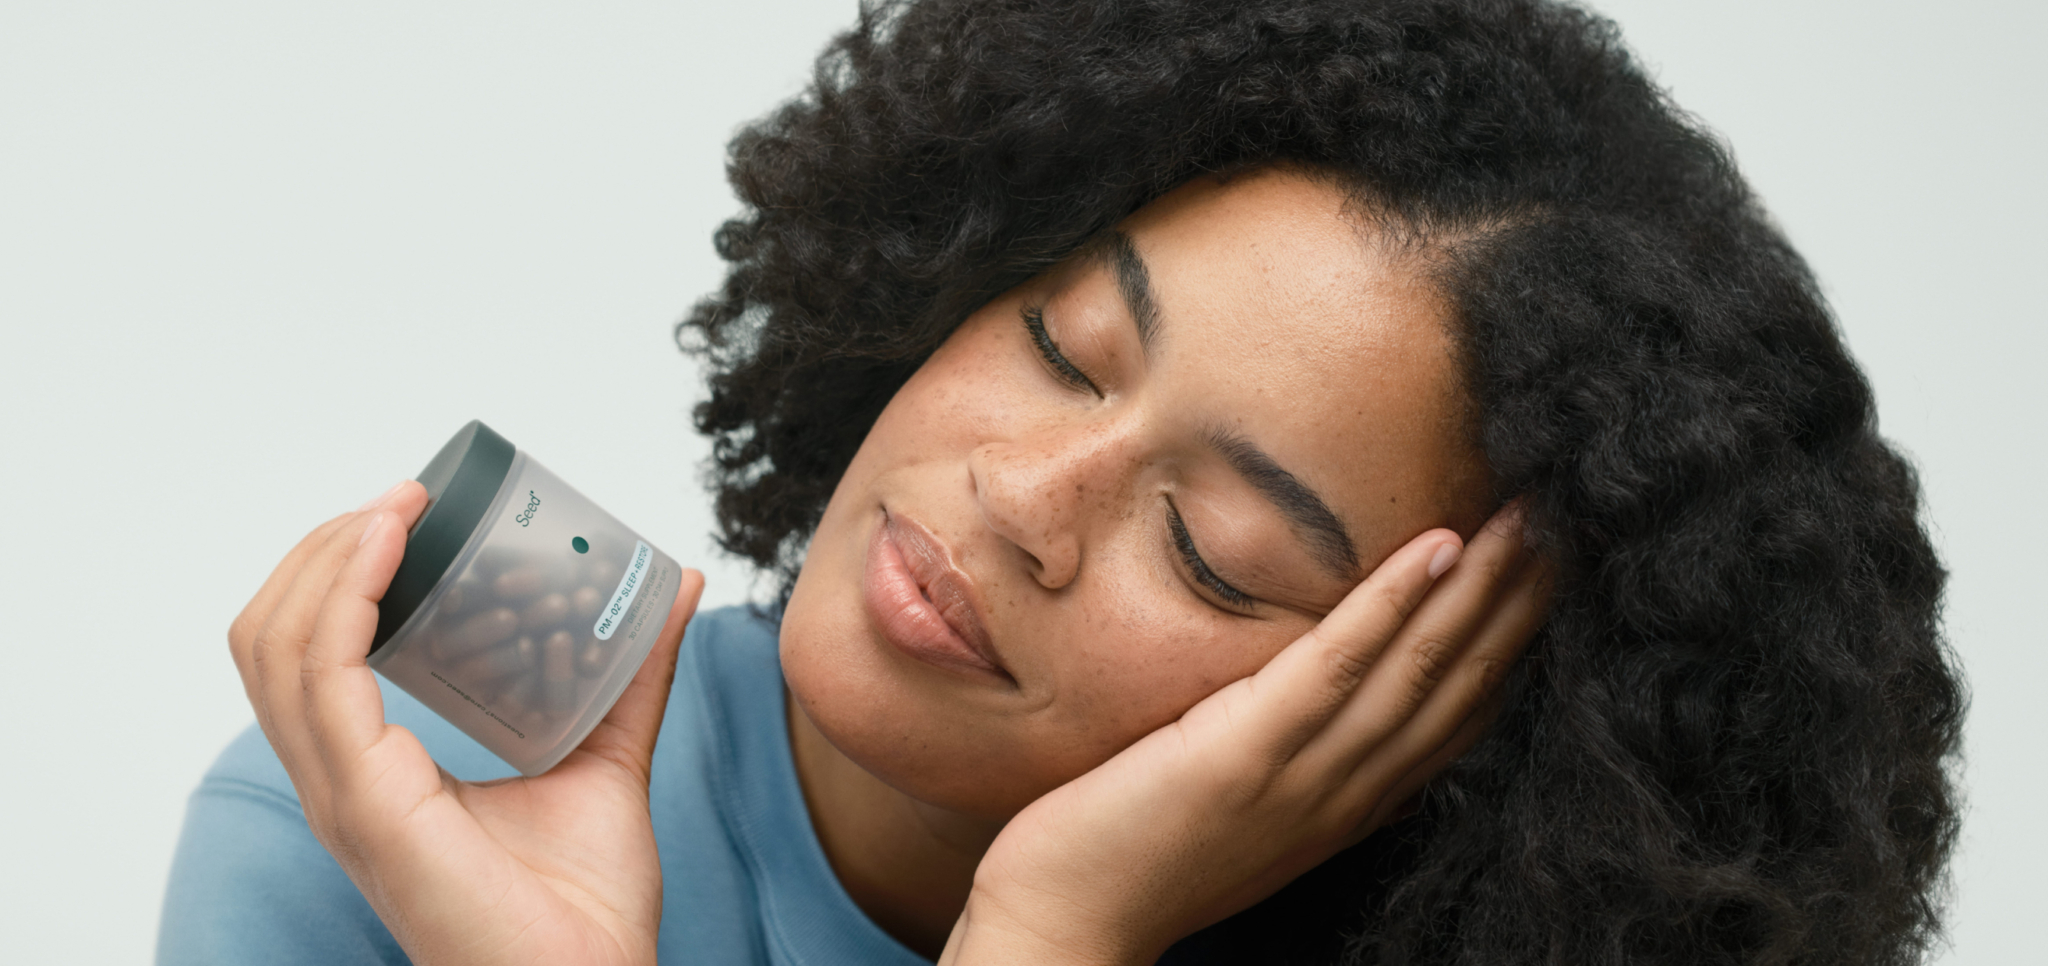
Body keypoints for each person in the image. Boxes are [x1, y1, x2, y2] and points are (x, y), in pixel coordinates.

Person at [157, 1, 1963, 964]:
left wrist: (1052, 934)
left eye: (1213, 548)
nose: (1027, 492)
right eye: (1060, 344)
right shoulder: (397, 820)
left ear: (1435, 732)